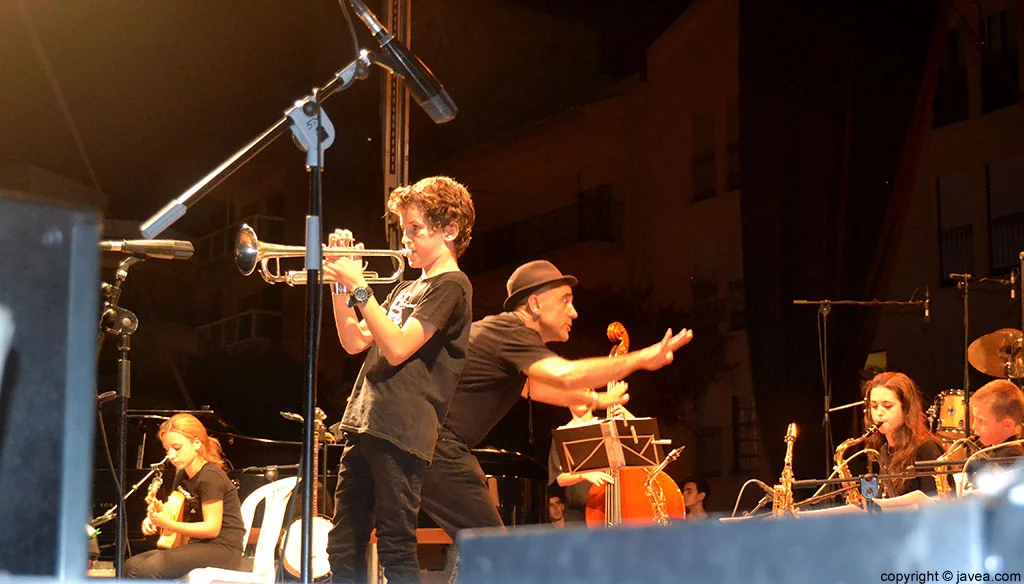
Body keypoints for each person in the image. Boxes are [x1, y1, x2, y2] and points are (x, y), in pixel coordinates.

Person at [419, 259, 692, 542]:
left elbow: (533, 388)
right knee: (490, 546)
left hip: (428, 442)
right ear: (535, 304)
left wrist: (597, 399)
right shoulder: (511, 332)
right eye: (565, 301)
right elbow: (564, 375)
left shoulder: (505, 337)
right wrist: (642, 359)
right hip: (436, 444)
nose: (573, 313)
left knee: (476, 547)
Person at [323, 176, 475, 584]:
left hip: (402, 430)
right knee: (342, 544)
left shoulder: (452, 286)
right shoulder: (405, 288)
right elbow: (354, 340)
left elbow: (398, 347)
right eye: (403, 229)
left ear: (450, 230)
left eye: (415, 229)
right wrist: (341, 284)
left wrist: (359, 287)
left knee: (395, 544)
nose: (405, 239)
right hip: (364, 422)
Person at [122, 413, 245, 579]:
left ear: (196, 443)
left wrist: (169, 524)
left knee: (151, 568)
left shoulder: (210, 477)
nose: (170, 455)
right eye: (167, 449)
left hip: (223, 548)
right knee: (130, 566)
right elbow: (176, 512)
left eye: (177, 448)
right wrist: (153, 520)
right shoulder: (182, 474)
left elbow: (212, 529)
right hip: (196, 544)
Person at [863, 372, 950, 497]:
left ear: (906, 409)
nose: (879, 413)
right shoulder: (883, 450)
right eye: (874, 406)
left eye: (887, 406)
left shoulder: (926, 448)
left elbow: (936, 502)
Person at [964, 379, 1024, 479]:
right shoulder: (994, 451)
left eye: (981, 421)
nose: (974, 426)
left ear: (1007, 425)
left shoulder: (1011, 458)